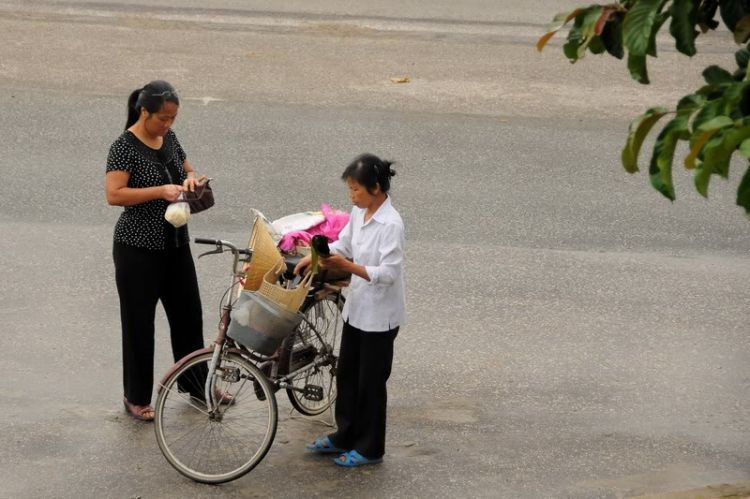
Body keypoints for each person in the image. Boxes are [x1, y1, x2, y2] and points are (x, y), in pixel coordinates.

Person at [105, 80, 225, 421]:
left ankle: (196, 384)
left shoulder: (169, 137)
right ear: (144, 112)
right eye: (162, 118)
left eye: (173, 118)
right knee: (139, 325)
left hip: (175, 245)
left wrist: (190, 182)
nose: (168, 124)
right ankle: (136, 397)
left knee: (189, 319)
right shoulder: (123, 146)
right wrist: (161, 191)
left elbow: (188, 169)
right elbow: (114, 194)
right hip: (136, 250)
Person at [295, 153, 406, 466]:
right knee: (347, 375)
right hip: (357, 310)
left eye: (355, 189)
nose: (351, 195)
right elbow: (343, 244)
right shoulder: (361, 214)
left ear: (375, 188)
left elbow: (388, 273)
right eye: (350, 189)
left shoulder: (391, 224)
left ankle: (370, 448)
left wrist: (349, 267)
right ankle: (345, 435)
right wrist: (314, 257)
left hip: (381, 316)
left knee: (370, 382)